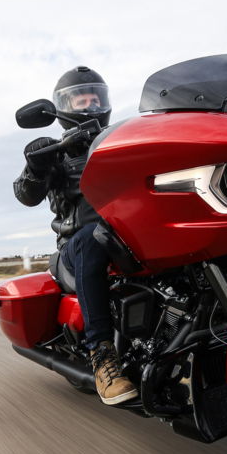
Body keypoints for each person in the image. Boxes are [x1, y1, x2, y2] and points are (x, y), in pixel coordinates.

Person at [13, 66, 138, 405]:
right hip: (76, 247)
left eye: (95, 97)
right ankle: (102, 355)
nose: (89, 104)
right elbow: (26, 195)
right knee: (93, 236)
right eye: (81, 99)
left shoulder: (120, 141)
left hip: (129, 239)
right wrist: (35, 165)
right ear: (64, 106)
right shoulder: (55, 154)